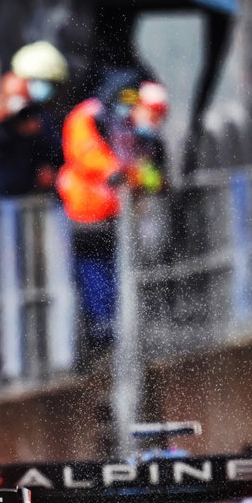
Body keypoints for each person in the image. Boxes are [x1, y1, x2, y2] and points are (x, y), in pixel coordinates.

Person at [58, 71, 170, 353]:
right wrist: (114, 172)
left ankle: (118, 335)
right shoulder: (88, 117)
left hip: (115, 217)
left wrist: (151, 181)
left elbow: (137, 163)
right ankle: (101, 337)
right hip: (84, 215)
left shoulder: (122, 121)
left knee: (116, 278)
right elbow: (87, 152)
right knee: (93, 278)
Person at [0, 41, 69, 199]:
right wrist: (3, 121)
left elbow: (57, 153)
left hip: (30, 202)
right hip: (1, 203)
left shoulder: (42, 117)